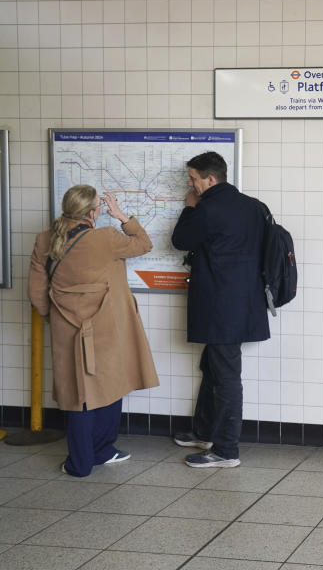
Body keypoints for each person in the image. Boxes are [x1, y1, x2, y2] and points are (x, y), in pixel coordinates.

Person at [28, 185, 158, 477]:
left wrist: (55, 317)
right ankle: (100, 452)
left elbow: (36, 290)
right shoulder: (106, 238)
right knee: (110, 387)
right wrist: (122, 216)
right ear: (93, 211)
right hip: (105, 326)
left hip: (65, 328)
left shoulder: (44, 239)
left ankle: (79, 462)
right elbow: (143, 243)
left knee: (78, 394)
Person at [171, 151, 269, 468]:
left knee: (226, 377)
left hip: (220, 308)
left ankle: (226, 450)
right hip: (244, 304)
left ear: (210, 179)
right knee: (213, 369)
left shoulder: (208, 208)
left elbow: (180, 239)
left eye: (193, 178)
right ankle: (204, 432)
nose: (190, 184)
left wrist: (188, 208)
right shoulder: (254, 207)